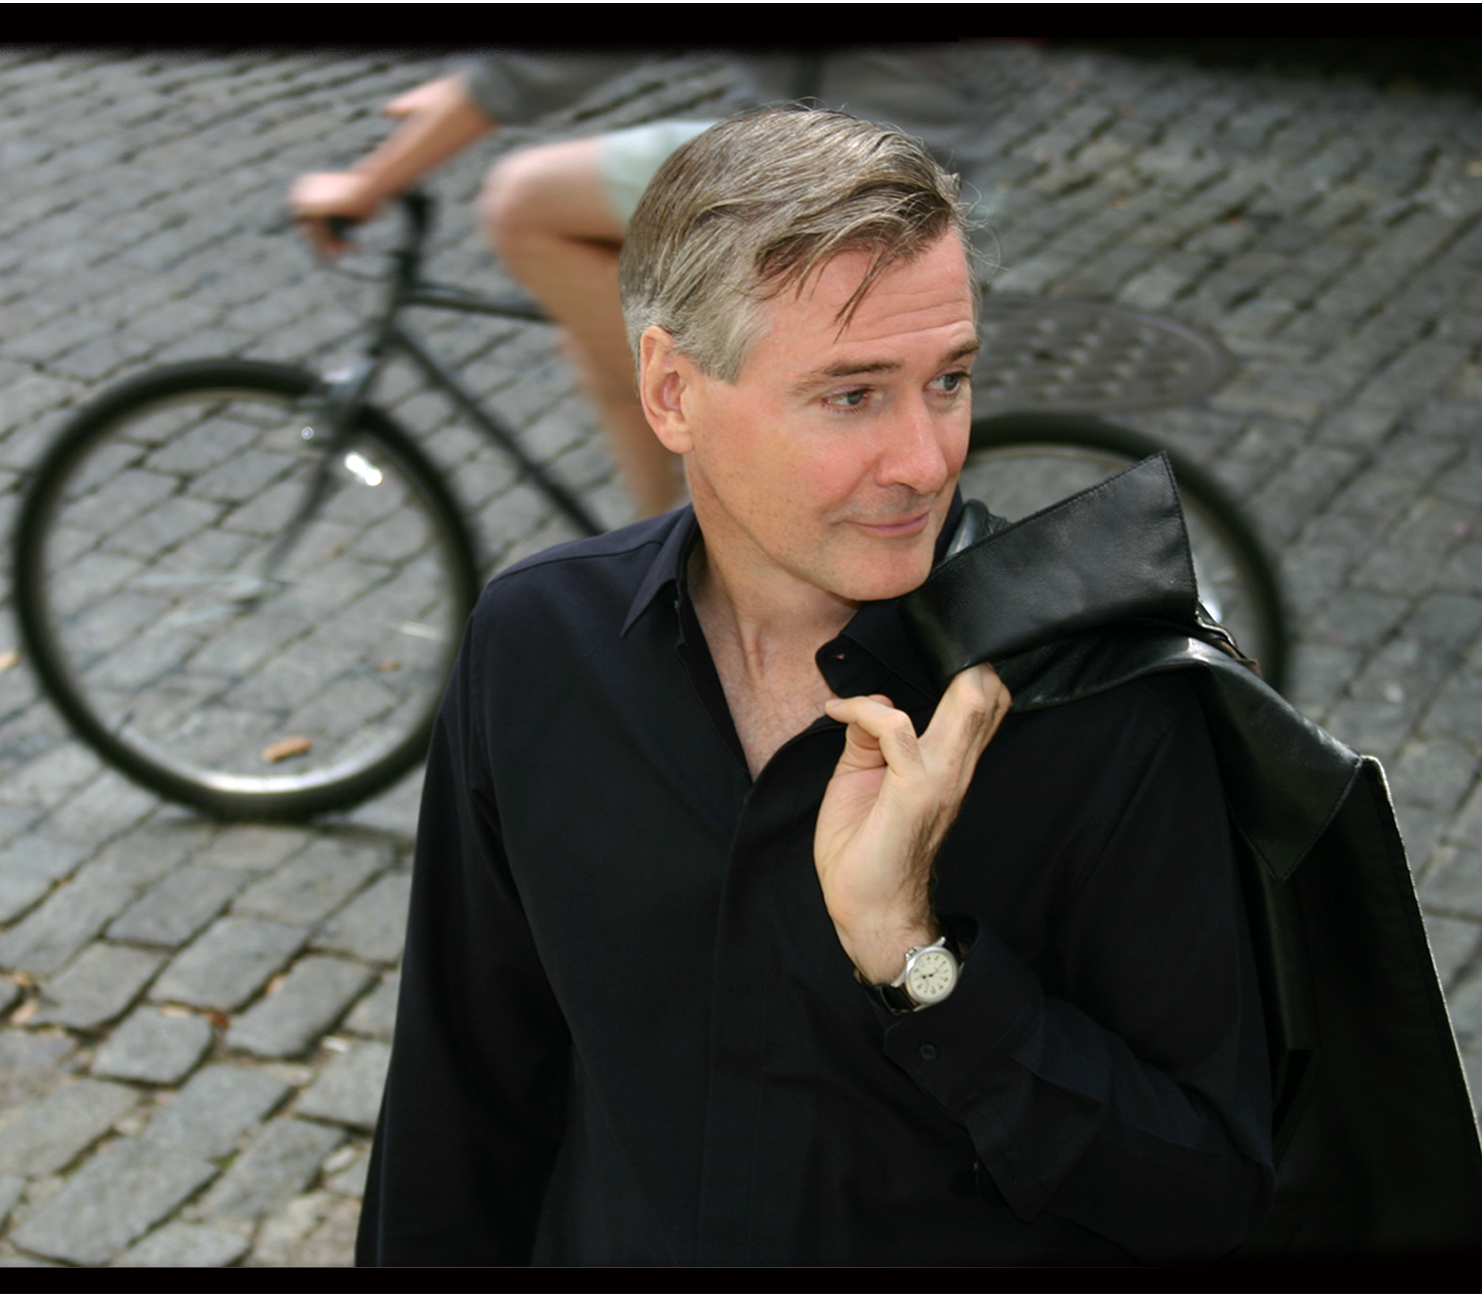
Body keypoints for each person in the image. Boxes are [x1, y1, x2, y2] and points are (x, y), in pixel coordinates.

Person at [355, 106, 1277, 1267]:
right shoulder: (537, 648)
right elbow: (462, 1100)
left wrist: (918, 964)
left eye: (949, 379)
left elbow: (1213, 1193)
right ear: (672, 392)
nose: (927, 460)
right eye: (853, 394)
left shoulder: (1105, 708)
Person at [290, 51, 994, 520]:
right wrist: (464, 91)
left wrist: (373, 179)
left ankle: (725, 500)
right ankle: (661, 555)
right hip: (865, 131)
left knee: (521, 202)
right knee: (597, 324)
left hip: (836, 159)